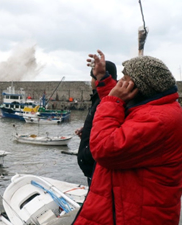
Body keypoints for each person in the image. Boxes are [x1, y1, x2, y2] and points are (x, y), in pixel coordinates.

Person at [73, 50, 182, 225]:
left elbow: (104, 149)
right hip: (125, 206)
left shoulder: (158, 120)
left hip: (135, 215)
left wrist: (111, 102)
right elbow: (126, 104)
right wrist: (103, 78)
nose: (119, 83)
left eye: (125, 79)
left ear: (141, 86)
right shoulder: (154, 107)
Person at [76, 61, 117, 186]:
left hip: (95, 166)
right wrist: (86, 132)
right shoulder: (98, 98)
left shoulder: (104, 100)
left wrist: (88, 153)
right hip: (92, 165)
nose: (91, 81)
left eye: (92, 77)